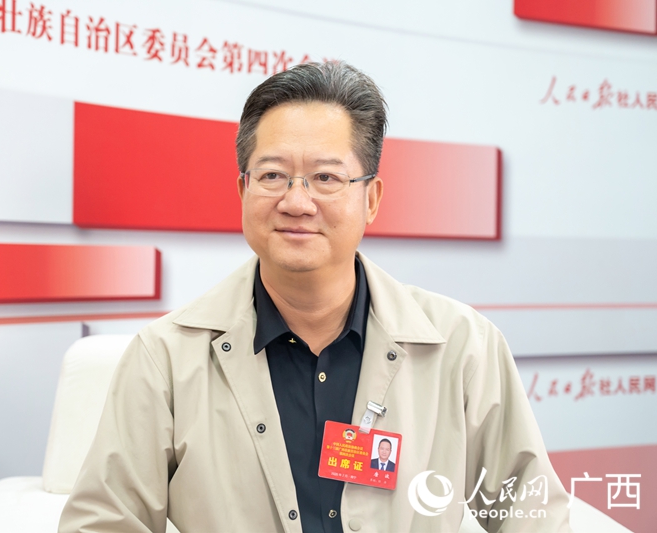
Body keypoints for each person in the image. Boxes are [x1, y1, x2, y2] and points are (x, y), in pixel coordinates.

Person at [59, 62, 571, 532]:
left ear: (371, 199)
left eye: (326, 177)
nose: (296, 201)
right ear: (243, 192)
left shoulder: (463, 346)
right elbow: (103, 523)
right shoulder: (166, 357)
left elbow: (534, 513)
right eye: (272, 176)